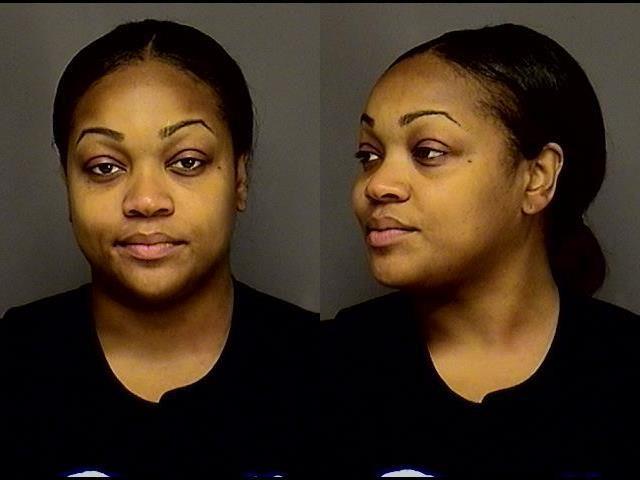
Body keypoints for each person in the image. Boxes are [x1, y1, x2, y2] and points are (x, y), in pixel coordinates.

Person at [0, 19, 316, 477]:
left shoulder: (321, 365)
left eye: (187, 162)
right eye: (104, 167)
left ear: (240, 177)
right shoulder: (14, 363)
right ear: (66, 180)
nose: (146, 201)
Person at [321, 23, 639, 477]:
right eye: (368, 156)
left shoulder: (625, 369)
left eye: (428, 151)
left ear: (537, 177)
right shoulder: (329, 367)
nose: (377, 185)